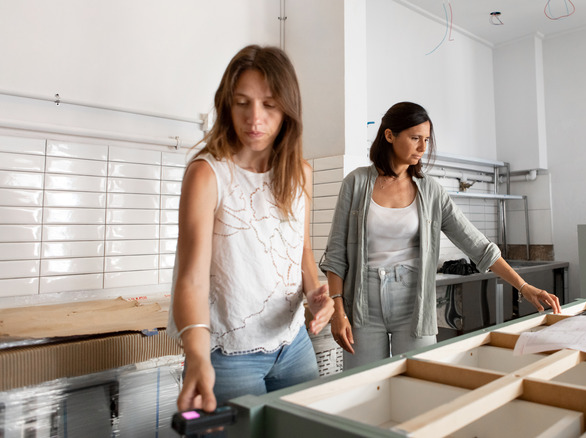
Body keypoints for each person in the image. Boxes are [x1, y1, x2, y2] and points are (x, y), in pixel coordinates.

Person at [319, 101, 561, 370]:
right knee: (361, 386)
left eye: (426, 140)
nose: (423, 148)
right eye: (415, 139)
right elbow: (336, 254)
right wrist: (337, 309)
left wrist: (524, 287)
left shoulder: (431, 191)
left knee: (418, 383)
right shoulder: (355, 183)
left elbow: (477, 245)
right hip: (362, 303)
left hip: (414, 303)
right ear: (389, 135)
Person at [168, 45, 334, 412]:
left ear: (287, 109)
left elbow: (301, 251)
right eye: (242, 102)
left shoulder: (300, 172)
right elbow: (191, 279)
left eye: (269, 105)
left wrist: (316, 294)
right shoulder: (207, 174)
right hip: (230, 356)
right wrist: (196, 356)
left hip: (294, 346)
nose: (254, 118)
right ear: (227, 104)